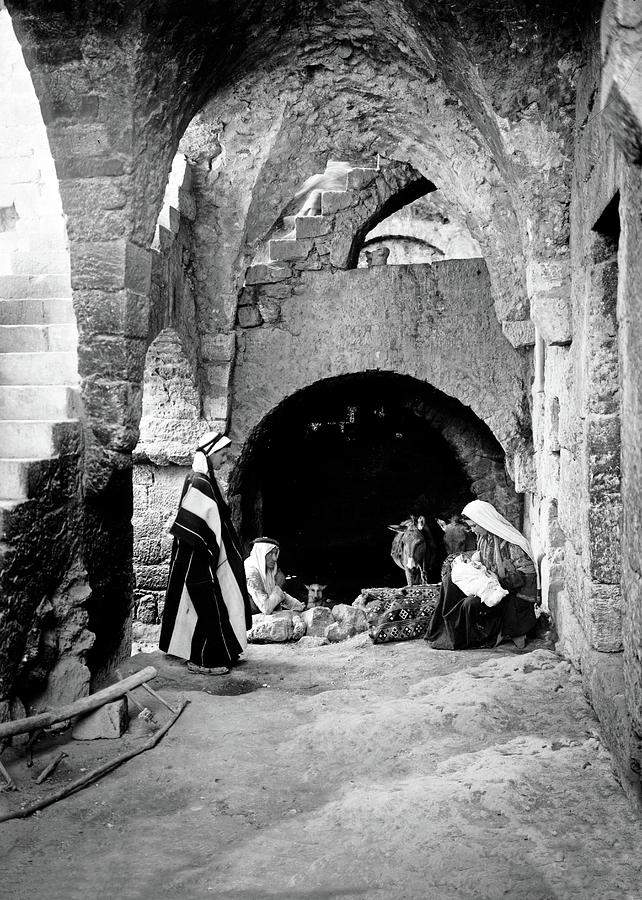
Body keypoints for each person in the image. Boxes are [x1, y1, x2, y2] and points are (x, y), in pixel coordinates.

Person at [159, 432, 252, 675]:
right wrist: (211, 554)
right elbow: (196, 525)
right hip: (199, 557)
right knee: (207, 604)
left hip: (206, 554)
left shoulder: (205, 480)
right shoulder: (199, 481)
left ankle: (221, 652)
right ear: (209, 455)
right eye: (222, 455)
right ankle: (203, 660)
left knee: (217, 603)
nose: (225, 460)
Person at [426, 499, 539, 651]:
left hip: (512, 596)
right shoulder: (484, 539)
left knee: (469, 604)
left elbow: (527, 575)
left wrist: (496, 581)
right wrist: (472, 564)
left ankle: (476, 636)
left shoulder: (512, 543)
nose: (472, 530)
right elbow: (484, 559)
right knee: (450, 580)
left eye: (474, 526)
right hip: (492, 584)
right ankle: (444, 629)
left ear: (485, 522)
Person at [244, 538, 306, 615]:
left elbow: (278, 595)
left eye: (276, 553)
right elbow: (266, 608)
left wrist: (298, 605)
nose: (275, 558)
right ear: (261, 553)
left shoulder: (268, 570)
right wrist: (278, 588)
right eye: (270, 553)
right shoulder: (251, 572)